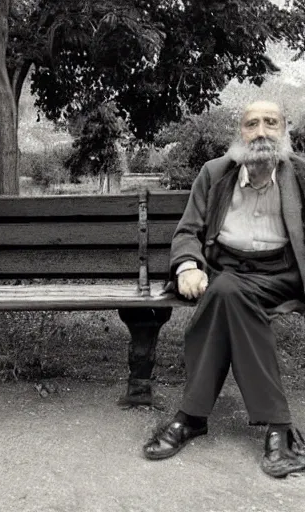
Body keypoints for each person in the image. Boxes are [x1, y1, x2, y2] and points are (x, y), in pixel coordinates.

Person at [142, 101, 305, 478]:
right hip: (226, 270)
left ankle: (192, 415)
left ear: (285, 130)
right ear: (239, 133)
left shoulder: (300, 175)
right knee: (228, 291)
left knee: (227, 294)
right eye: (252, 124)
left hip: (282, 274)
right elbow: (188, 231)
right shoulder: (215, 173)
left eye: (271, 123)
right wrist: (187, 266)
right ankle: (279, 428)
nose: (261, 132)